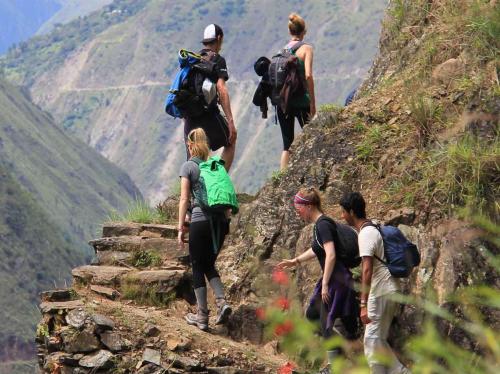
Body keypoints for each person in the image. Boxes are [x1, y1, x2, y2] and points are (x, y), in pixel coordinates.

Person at [278, 187, 359, 374]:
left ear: (309, 206)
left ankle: (334, 366)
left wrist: (324, 284)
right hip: (333, 278)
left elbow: (330, 255)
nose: (297, 212)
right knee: (312, 314)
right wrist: (295, 261)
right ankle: (336, 347)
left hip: (336, 280)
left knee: (325, 320)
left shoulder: (323, 224)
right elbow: (318, 249)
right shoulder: (320, 225)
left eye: (298, 208)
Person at [340, 192, 410, 374]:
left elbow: (367, 270)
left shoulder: (365, 234)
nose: (342, 216)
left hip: (380, 291)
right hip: (390, 288)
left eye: (343, 212)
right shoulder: (374, 227)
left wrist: (363, 304)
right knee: (378, 340)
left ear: (352, 212)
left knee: (371, 340)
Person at [177, 128, 232, 331]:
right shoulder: (215, 166)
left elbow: (184, 199)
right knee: (208, 263)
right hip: (220, 223)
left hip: (200, 221)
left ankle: (201, 317)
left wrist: (180, 227)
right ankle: (221, 302)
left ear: (190, 145)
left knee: (197, 265)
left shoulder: (188, 166)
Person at [183, 23, 237, 170]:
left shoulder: (193, 60)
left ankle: (194, 190)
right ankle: (219, 180)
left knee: (193, 159)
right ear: (219, 38)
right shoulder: (218, 60)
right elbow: (221, 88)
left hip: (189, 117)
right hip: (209, 115)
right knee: (231, 140)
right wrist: (231, 122)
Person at [277, 13, 316, 170]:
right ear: (304, 31)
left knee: (287, 145)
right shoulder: (306, 48)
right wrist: (312, 103)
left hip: (283, 102)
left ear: (290, 31)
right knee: (312, 136)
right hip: (301, 101)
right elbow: (308, 75)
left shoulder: (283, 50)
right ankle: (312, 169)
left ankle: (281, 180)